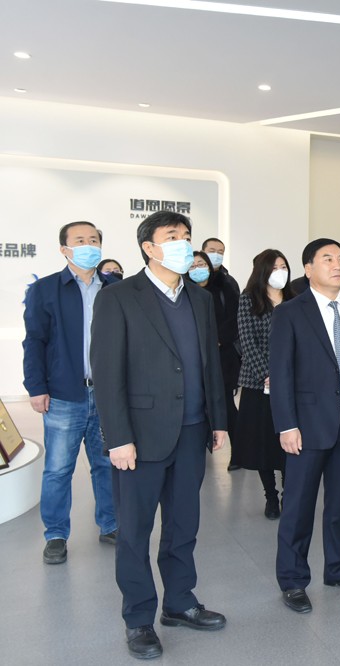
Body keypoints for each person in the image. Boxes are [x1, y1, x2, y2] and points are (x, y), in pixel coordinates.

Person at [91, 211, 228, 659]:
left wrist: (218, 420)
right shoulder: (118, 297)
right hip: (140, 436)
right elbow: (107, 374)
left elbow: (210, 363)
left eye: (187, 236)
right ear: (149, 247)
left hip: (191, 431)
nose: (184, 244)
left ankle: (180, 602)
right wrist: (117, 438)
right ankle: (138, 619)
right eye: (173, 236)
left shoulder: (199, 298)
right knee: (134, 532)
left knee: (184, 524)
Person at [269, 238, 340, 614]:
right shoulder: (290, 312)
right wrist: (287, 425)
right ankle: (292, 580)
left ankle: (337, 568)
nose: (337, 265)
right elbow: (281, 374)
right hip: (306, 424)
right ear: (308, 268)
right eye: (327, 259)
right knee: (298, 505)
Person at [23, 220, 118, 566]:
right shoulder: (46, 289)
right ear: (64, 249)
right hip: (64, 395)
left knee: (106, 464)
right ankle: (56, 534)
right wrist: (36, 387)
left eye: (93, 239)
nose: (88, 245)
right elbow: (34, 341)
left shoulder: (115, 288)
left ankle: (110, 524)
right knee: (58, 469)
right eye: (80, 240)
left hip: (107, 394)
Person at [234, 250, 294, 519]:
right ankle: (271, 495)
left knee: (291, 441)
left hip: (291, 382)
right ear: (262, 271)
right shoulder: (248, 299)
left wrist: (286, 375)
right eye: (274, 267)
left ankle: (289, 493)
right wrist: (267, 374)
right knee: (264, 443)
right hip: (259, 384)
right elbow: (247, 342)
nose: (280, 272)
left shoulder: (294, 299)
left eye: (284, 267)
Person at [190, 250, 242, 472]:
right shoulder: (185, 291)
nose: (197, 269)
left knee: (226, 405)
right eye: (192, 266)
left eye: (201, 264)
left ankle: (238, 453)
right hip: (193, 358)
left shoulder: (224, 287)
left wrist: (216, 340)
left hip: (223, 357)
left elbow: (235, 319)